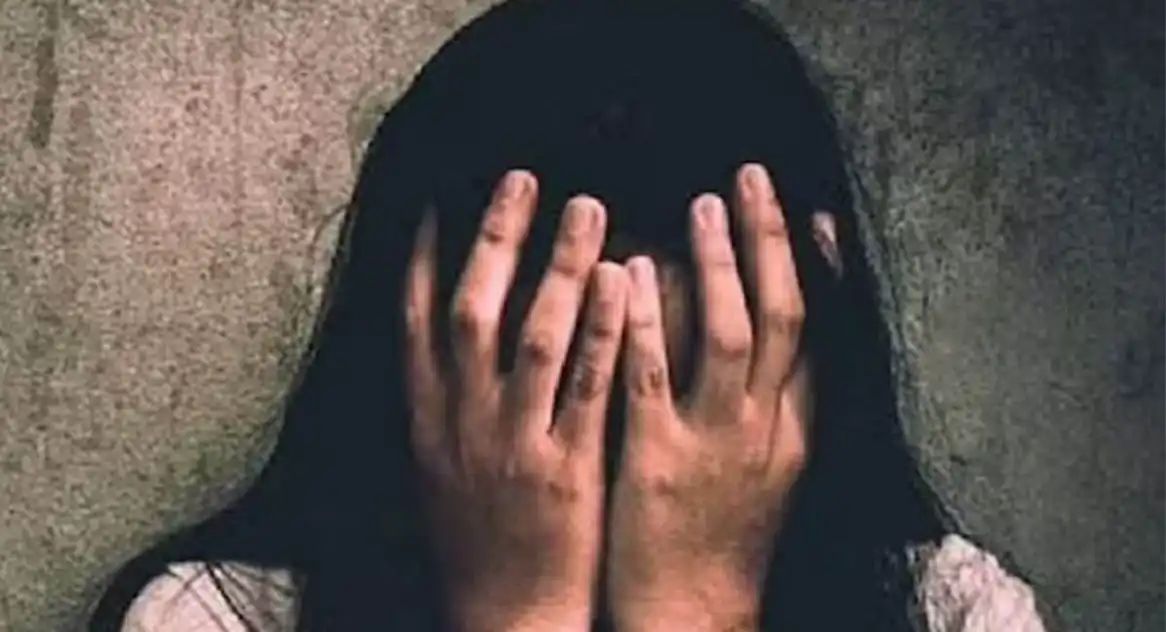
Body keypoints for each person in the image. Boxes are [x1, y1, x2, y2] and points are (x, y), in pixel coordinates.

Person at [90, 0, 1045, 630]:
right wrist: (517, 614)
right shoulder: (219, 619)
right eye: (542, 380)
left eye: (685, 385)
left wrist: (697, 610)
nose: (606, 468)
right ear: (422, 339)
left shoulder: (952, 614)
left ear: (804, 333)